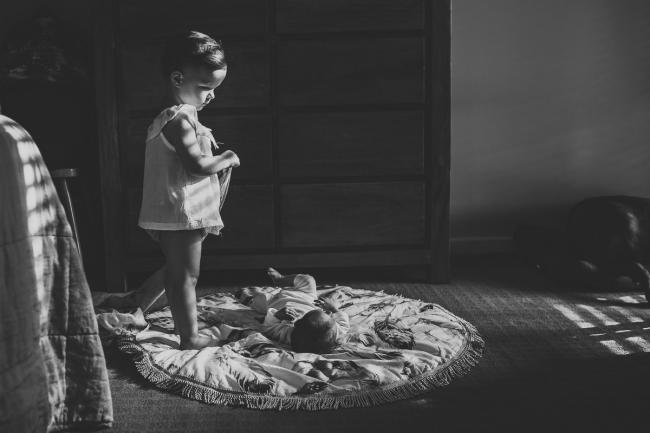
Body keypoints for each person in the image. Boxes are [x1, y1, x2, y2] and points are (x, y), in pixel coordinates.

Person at [134, 30, 240, 349]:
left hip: (182, 208)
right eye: (206, 88)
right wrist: (226, 158)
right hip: (181, 211)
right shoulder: (177, 120)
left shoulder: (184, 115)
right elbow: (196, 165)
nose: (211, 96)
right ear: (178, 78)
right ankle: (189, 338)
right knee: (186, 276)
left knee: (177, 267)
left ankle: (137, 301)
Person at [237, 268, 350, 354]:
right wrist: (333, 308)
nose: (327, 313)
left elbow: (269, 328)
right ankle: (280, 279)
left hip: (275, 303)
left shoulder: (288, 334)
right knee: (308, 280)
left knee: (258, 299)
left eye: (305, 316)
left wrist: (277, 315)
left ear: (296, 324)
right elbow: (344, 322)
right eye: (326, 314)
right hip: (307, 297)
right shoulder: (336, 332)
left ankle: (250, 299)